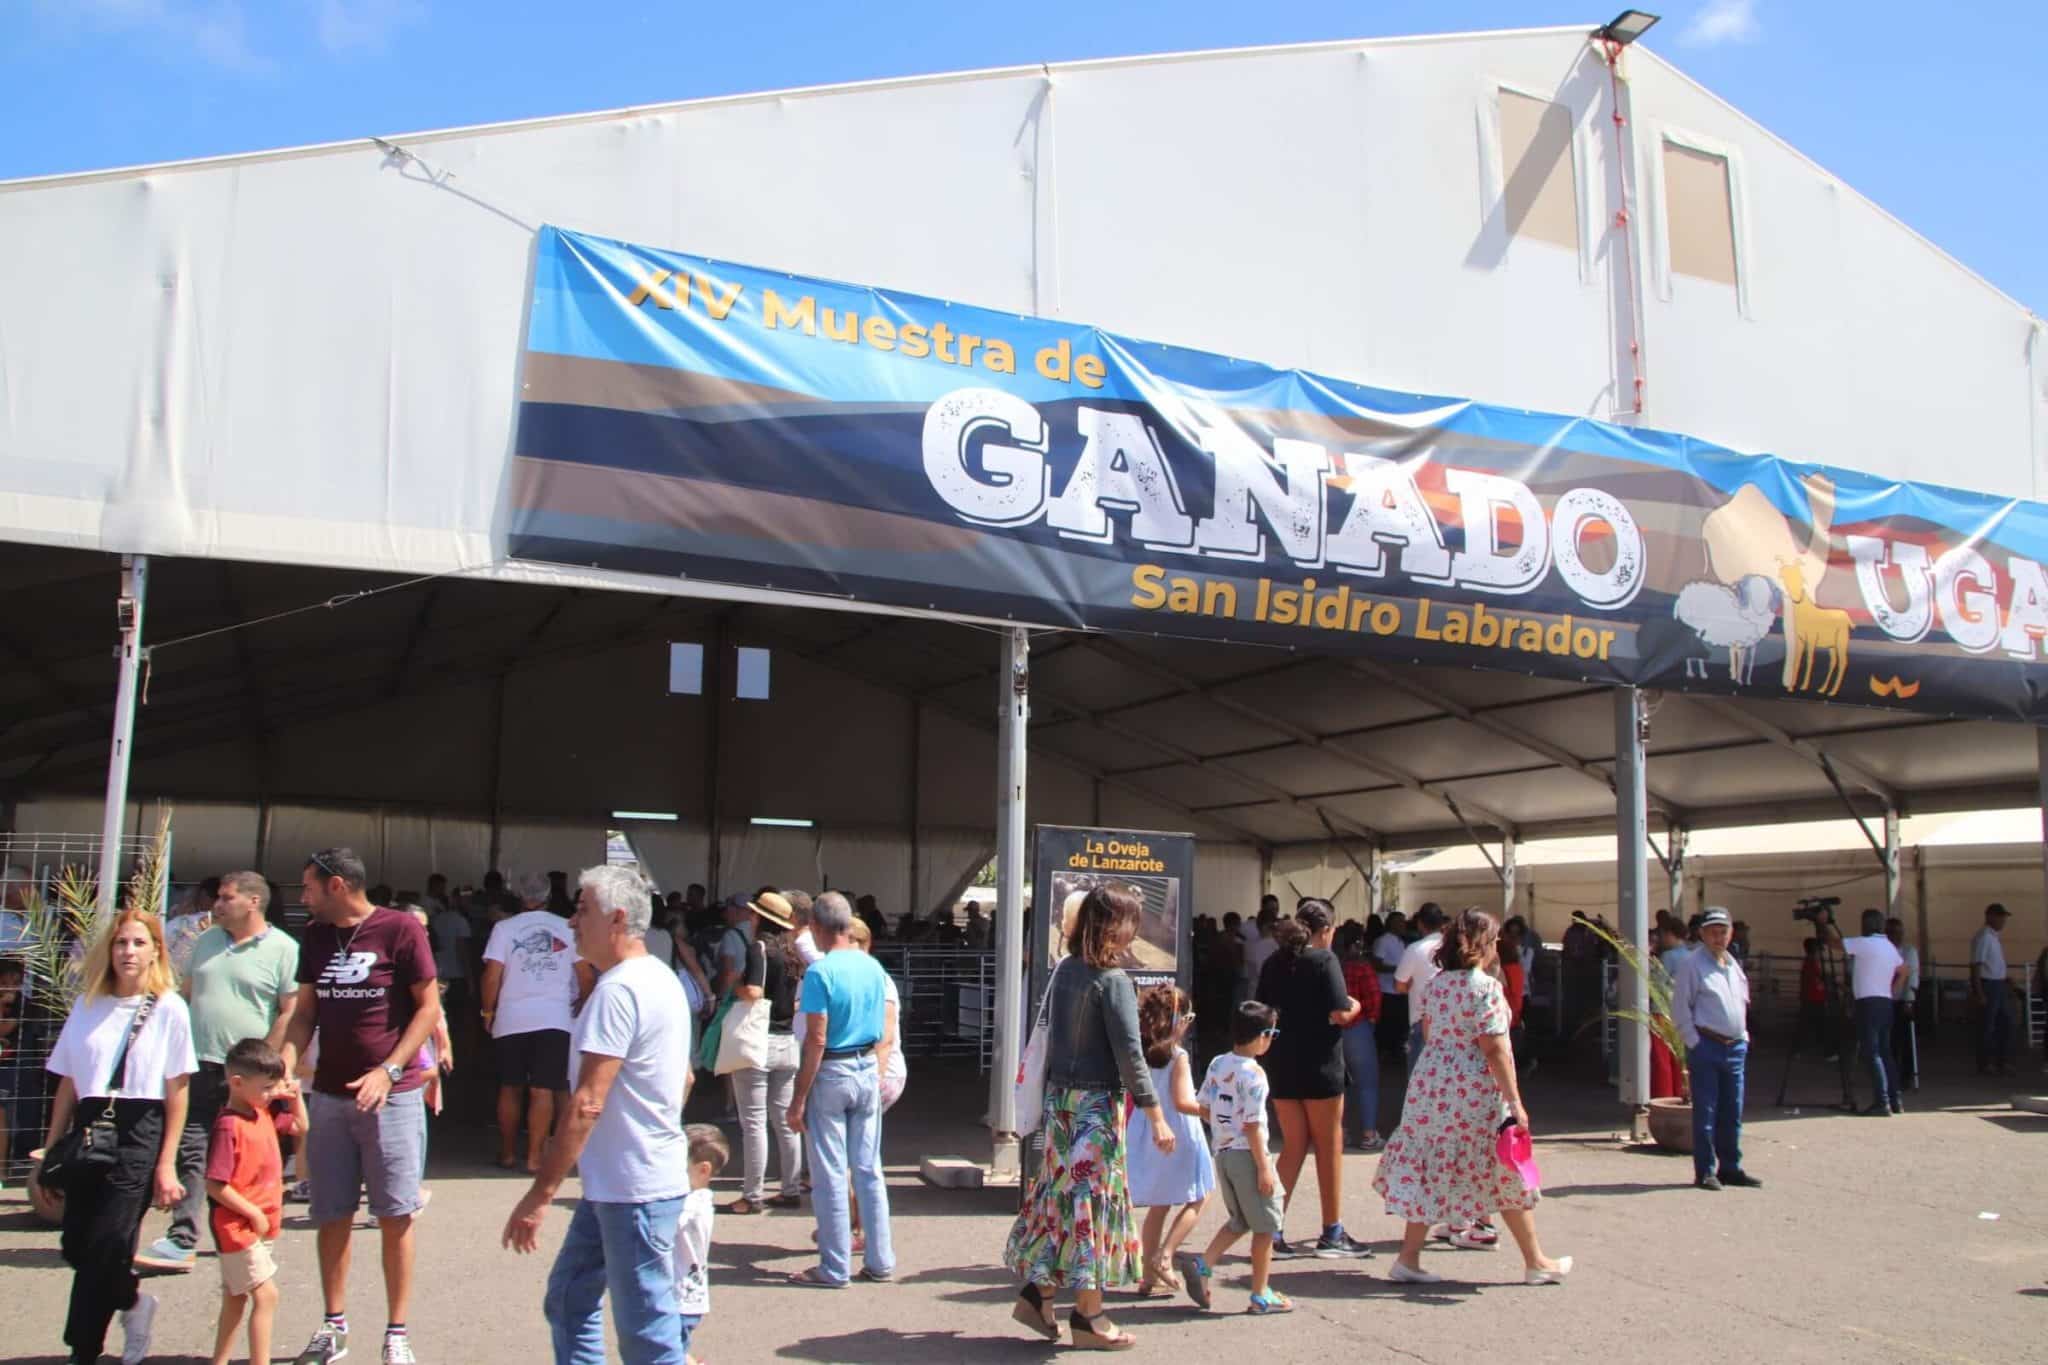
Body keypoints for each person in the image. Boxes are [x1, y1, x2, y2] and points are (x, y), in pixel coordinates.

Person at [504, 865, 694, 1365]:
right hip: (618, 1185)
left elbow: (587, 1102)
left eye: (581, 910)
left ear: (617, 918)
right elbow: (685, 1080)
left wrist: (539, 1194)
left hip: (634, 1190)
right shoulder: (659, 979)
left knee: (647, 1338)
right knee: (569, 1300)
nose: (571, 922)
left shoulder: (620, 990)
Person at [283, 847, 442, 1365]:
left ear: (337, 886)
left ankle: (397, 1333)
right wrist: (287, 1059)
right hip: (330, 1095)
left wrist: (389, 1070)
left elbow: (428, 1008)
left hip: (392, 1098)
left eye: (308, 886)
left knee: (395, 1215)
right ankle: (334, 1327)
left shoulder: (399, 929)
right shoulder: (314, 936)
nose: (302, 895)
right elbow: (305, 1012)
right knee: (331, 1214)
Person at [1003, 886, 1172, 1347]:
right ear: (1113, 926)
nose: (1135, 929)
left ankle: (1041, 1291)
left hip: (1061, 1103)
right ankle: (1089, 1317)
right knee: (1091, 1206)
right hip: (1096, 1109)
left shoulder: (1067, 970)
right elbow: (1129, 1054)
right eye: (1131, 920)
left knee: (1061, 1199)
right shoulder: (1113, 981)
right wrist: (1155, 1113)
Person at [1374, 908, 1569, 1286]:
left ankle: (1408, 1258)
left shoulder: (1438, 984)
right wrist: (1515, 1101)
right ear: (1484, 944)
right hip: (1473, 1091)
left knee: (1433, 1168)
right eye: (1495, 940)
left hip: (1431, 1085)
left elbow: (1429, 1034)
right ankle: (1535, 1261)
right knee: (1505, 1168)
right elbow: (1495, 1048)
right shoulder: (1485, 987)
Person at [41, 907, 196, 1365]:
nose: (128, 951)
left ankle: (83, 1348)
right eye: (121, 943)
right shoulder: (88, 1004)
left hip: (139, 1128)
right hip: (90, 1125)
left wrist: (167, 1162)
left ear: (155, 952)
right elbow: (68, 1080)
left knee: (109, 1241)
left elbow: (178, 1090)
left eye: (138, 943)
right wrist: (50, 1149)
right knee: (77, 1244)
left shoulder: (169, 1007)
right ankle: (133, 1302)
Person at [135, 869, 301, 1273]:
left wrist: (271, 1065)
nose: (217, 904)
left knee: (247, 1156)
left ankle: (250, 1231)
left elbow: (290, 1011)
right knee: (194, 1148)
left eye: (227, 898)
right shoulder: (208, 940)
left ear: (253, 902)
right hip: (200, 1063)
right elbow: (186, 992)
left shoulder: (284, 948)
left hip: (247, 1077)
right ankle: (182, 1238)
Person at [786, 892, 896, 1288]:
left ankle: (834, 1267)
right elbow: (885, 1027)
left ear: (815, 927)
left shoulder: (819, 972)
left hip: (831, 1070)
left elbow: (815, 1039)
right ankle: (880, 1259)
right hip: (867, 1067)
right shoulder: (872, 967)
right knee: (869, 1169)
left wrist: (798, 1098)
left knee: (830, 1172)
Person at [1255, 900, 1370, 1259]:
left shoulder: (1274, 961)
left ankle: (1271, 1230)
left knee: (1292, 1145)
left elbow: (1261, 1010)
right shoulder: (1324, 959)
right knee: (1328, 1145)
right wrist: (1356, 1007)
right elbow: (1340, 1010)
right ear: (1327, 931)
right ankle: (1331, 1230)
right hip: (1320, 1064)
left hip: (1282, 1063)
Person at [1174, 1000, 1290, 1316]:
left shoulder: (1218, 1063)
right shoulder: (1254, 1074)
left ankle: (1204, 1264)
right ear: (1262, 1035)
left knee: (1240, 1219)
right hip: (1248, 1155)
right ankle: (1260, 1292)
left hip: (1223, 1154)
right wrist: (1265, 1168)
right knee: (1266, 1225)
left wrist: (1225, 1130)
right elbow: (1253, 1125)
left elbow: (1205, 1107)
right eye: (1272, 1033)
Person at [482, 872, 595, 1172]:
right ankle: (534, 1157)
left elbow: (492, 975)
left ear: (520, 896)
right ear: (548, 897)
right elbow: (586, 976)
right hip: (555, 1018)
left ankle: (507, 1153)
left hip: (511, 1017)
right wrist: (581, 1003)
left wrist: (487, 1011)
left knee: (510, 1086)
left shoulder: (504, 928)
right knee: (543, 1089)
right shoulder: (566, 927)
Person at [205, 1039, 308, 1365]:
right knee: (266, 1296)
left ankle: (219, 1360)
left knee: (236, 1296)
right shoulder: (229, 1126)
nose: (271, 1092)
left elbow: (300, 1126)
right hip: (237, 1227)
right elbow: (215, 1185)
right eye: (266, 1087)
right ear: (237, 1083)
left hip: (258, 1223)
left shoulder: (261, 1113)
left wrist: (294, 1098)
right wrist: (251, 1212)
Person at [1126, 985, 1213, 1298]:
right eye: (1187, 1017)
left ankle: (1148, 1276)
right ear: (1177, 1020)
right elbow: (1183, 1102)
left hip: (1148, 1129)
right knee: (1201, 1195)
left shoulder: (1140, 1053)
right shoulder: (1179, 1057)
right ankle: (1166, 1253)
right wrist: (1214, 1111)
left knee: (1160, 1205)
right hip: (1179, 1132)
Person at [1670, 907, 1762, 1192]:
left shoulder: (1732, 964)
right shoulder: (1692, 964)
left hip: (1734, 1046)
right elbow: (1680, 1007)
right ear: (1702, 934)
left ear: (1730, 933)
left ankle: (1731, 1167)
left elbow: (1741, 1002)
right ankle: (1706, 1170)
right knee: (1706, 1111)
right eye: (1712, 931)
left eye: (1723, 931)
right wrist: (1693, 1041)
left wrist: (1743, 1036)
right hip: (1707, 1044)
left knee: (1731, 1110)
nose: (1718, 937)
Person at [726, 891, 805, 1215]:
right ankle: (790, 1187)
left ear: (760, 918)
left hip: (759, 1040)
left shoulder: (759, 948)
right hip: (788, 1042)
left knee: (754, 1122)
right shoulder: (792, 954)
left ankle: (752, 1194)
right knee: (785, 1121)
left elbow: (755, 992)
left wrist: (735, 987)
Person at [1828, 908, 1907, 1115]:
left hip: (1868, 1003)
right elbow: (1904, 970)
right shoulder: (1889, 947)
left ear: (1866, 924)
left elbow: (1835, 944)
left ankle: (1881, 1102)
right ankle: (1895, 1098)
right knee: (1885, 1051)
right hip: (1885, 1002)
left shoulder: (1865, 943)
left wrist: (1823, 924)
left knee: (1871, 1053)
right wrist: (1893, 988)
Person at [673, 1125, 729, 1364]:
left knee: (668, 1351)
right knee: (672, 1348)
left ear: (703, 1170)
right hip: (682, 1295)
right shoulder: (694, 1199)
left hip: (682, 1299)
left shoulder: (694, 1203)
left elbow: (669, 1222)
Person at [1342, 922, 1385, 1151]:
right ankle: (1369, 1134)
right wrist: (1371, 1020)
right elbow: (1373, 997)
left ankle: (1340, 1132)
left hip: (1333, 1029)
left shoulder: (1329, 964)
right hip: (1358, 1028)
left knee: (1339, 1084)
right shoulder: (1361, 967)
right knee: (1367, 1083)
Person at [1394, 903, 1447, 1070]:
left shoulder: (1415, 949)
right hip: (1452, 1021)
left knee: (1419, 1085)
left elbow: (1400, 986)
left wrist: (1412, 983)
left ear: (1420, 923)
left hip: (1421, 1019)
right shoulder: (1454, 947)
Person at [1970, 902, 2014, 1076]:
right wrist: (1979, 992)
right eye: (2000, 916)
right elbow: (1976, 965)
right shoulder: (1984, 937)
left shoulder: (1993, 936)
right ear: (1990, 917)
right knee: (1987, 1026)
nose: (2003, 920)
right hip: (1988, 985)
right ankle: (1986, 1063)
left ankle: (2001, 1061)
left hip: (1998, 984)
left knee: (2005, 1024)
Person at [1886, 916, 1921, 1090]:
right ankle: (1890, 1074)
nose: (1896, 936)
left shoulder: (1909, 951)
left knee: (1905, 1040)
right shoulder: (1884, 950)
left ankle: (1906, 1075)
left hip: (1902, 1001)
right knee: (1889, 1040)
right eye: (1891, 932)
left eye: (1898, 932)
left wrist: (1909, 1000)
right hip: (1885, 1000)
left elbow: (1912, 976)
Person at [1372, 910, 1409, 1056]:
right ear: (1392, 923)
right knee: (1387, 1024)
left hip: (1400, 990)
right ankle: (1385, 1051)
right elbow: (1376, 964)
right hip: (1386, 990)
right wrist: (1397, 969)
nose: (1403, 925)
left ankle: (1396, 1050)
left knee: (1399, 1024)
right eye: (1400, 922)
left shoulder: (1401, 942)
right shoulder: (1383, 940)